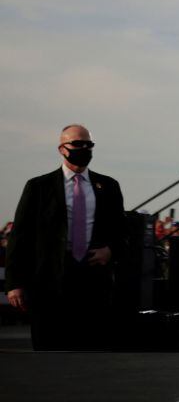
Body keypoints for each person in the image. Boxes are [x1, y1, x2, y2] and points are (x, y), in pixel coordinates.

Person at [4, 124, 126, 350]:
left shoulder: (108, 186)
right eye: (78, 144)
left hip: (92, 277)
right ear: (62, 148)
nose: (85, 149)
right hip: (49, 279)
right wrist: (14, 284)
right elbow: (20, 236)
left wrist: (110, 250)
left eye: (89, 144)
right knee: (49, 348)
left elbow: (122, 231)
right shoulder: (39, 187)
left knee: (91, 348)